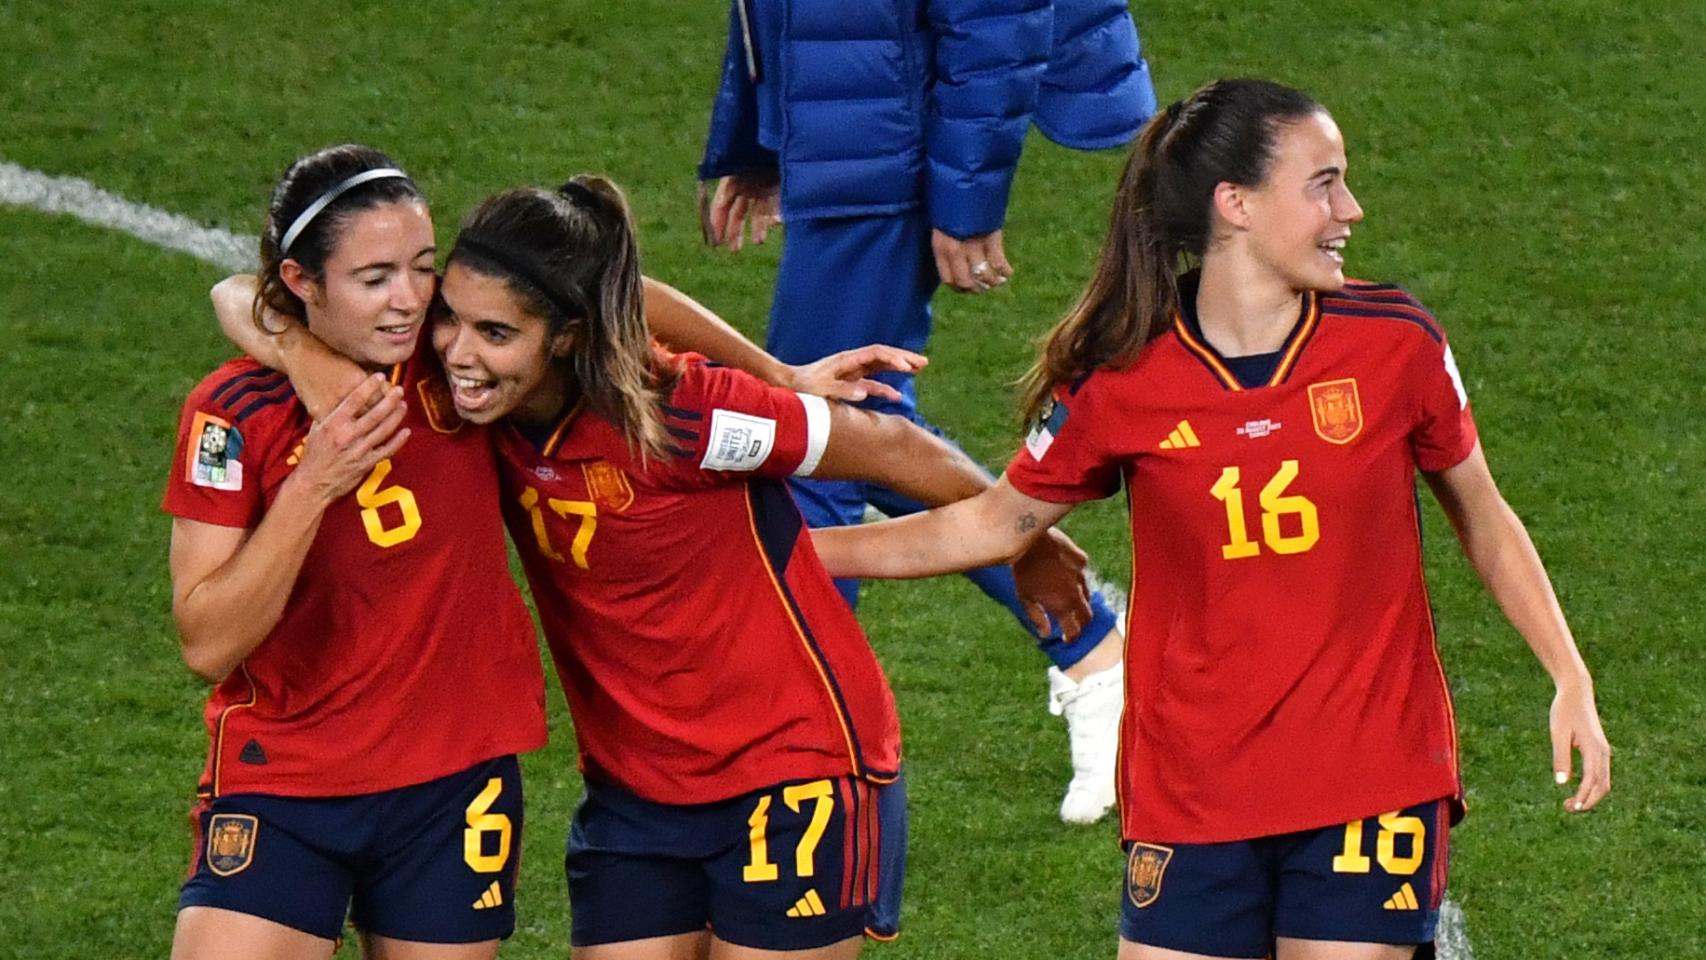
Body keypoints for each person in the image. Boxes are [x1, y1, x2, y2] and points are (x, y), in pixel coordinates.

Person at [809, 78, 1613, 959]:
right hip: (1191, 783)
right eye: (1324, 183)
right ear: (1235, 203)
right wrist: (795, 553)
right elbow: (994, 525)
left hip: (1368, 773)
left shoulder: (1395, 345)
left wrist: (1568, 672)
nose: (1351, 207)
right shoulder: (1125, 375)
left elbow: (1484, 518)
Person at [216, 174, 1091, 958]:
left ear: (562, 337)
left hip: (788, 769)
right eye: (449, 315)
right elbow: (236, 292)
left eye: (492, 331)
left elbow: (889, 445)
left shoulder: (689, 418)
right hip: (635, 796)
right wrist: (300, 354)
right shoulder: (479, 399)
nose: (450, 350)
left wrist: (1028, 537)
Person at [698, 0, 1159, 824]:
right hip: (850, 127)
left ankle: (796, 751)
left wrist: (966, 194)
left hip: (888, 136)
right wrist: (771, 133)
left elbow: (997, 13)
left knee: (816, 445)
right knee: (853, 432)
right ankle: (1089, 642)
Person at [164, 144, 549, 960]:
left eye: (421, 267)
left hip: (453, 780)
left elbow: (609, 293)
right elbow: (207, 641)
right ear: (303, 284)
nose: (410, 301)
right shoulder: (234, 413)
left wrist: (776, 375)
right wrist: (314, 484)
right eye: (374, 279)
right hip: (287, 781)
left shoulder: (460, 370)